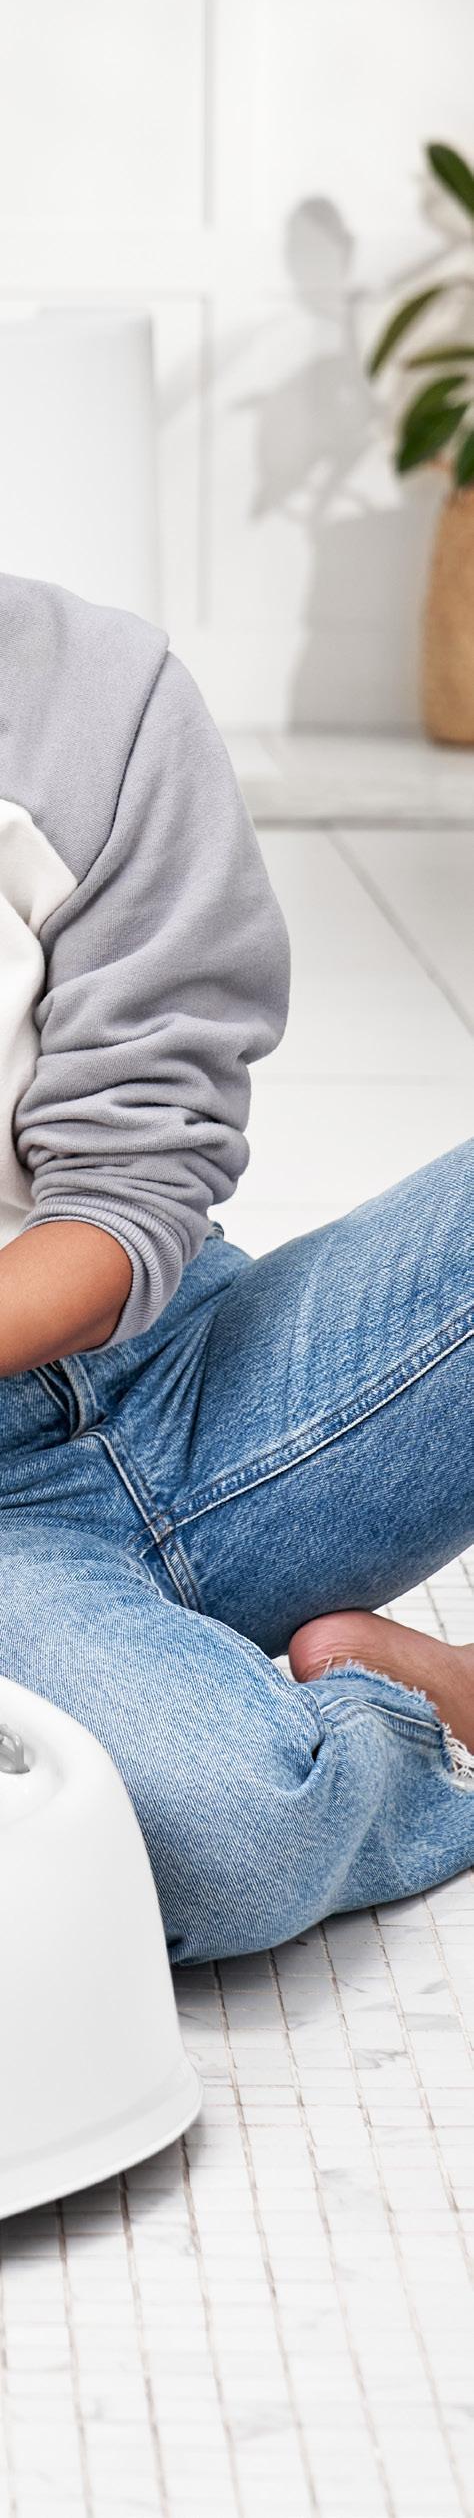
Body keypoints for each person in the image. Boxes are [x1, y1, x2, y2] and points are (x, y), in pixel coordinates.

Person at [1, 569, 473, 1966]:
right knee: (229, 1839)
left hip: (193, 1365)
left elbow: (133, 1180)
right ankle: (397, 1721)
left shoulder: (89, 692)